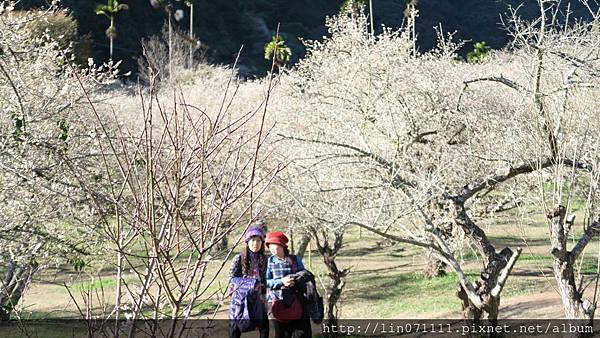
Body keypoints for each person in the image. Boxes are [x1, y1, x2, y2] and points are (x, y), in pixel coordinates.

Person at [265, 231, 312, 338]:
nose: (272, 249)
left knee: (303, 334)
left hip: (298, 300)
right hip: (277, 302)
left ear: (282, 245)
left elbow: (305, 275)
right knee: (282, 334)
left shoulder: (295, 259)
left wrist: (295, 279)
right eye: (270, 246)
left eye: (275, 245)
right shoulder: (269, 262)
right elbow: (265, 281)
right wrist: (281, 281)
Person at [229, 225, 269, 338]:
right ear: (247, 242)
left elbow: (265, 278)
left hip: (258, 297)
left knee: (264, 326)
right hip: (240, 297)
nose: (255, 243)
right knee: (235, 328)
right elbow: (231, 278)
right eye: (252, 240)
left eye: (258, 241)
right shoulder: (239, 258)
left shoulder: (265, 259)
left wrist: (264, 294)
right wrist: (250, 284)